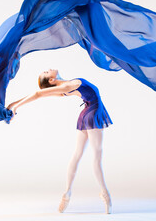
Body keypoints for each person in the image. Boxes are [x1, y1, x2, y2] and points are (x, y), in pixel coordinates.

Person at [6, 69, 113, 214]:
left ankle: (67, 194)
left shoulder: (65, 88)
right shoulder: (67, 87)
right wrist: (15, 107)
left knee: (78, 154)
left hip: (86, 114)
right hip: (92, 114)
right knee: (96, 156)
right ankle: (105, 194)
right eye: (46, 72)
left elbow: (38, 95)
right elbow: (38, 94)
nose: (48, 69)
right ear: (51, 80)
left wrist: (12, 104)